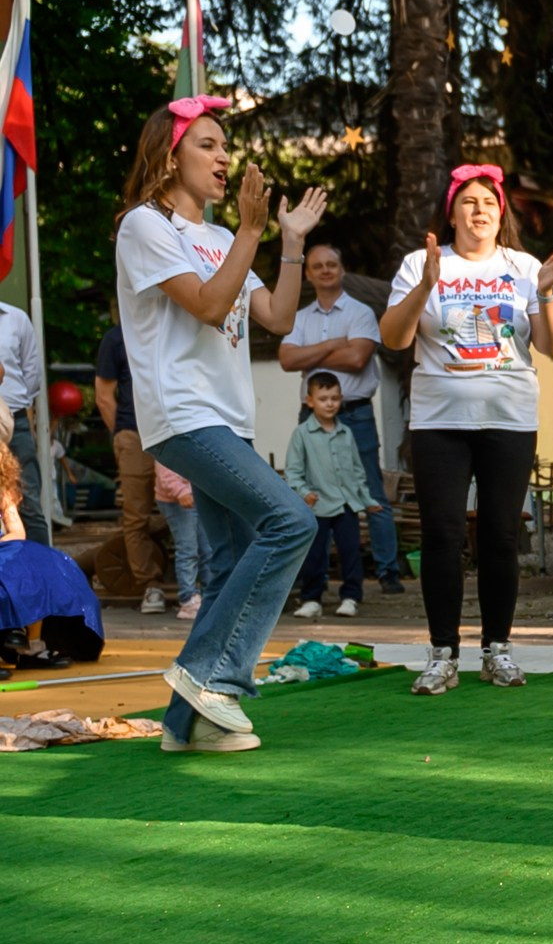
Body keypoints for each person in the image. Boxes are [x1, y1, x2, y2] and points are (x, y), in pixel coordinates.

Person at [114, 94, 327, 753]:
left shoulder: (216, 238)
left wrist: (288, 241)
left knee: (232, 559)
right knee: (291, 521)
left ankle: (184, 727)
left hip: (226, 419)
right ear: (168, 154)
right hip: (182, 413)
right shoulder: (145, 227)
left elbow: (279, 318)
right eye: (207, 143)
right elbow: (210, 306)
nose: (223, 155)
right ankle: (213, 675)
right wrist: (252, 231)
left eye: (224, 145)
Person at [381, 164, 553, 694]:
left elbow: (552, 343)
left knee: (500, 535)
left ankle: (498, 650)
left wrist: (549, 291)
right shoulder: (422, 262)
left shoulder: (523, 265)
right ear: (452, 212)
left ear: (501, 212)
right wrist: (425, 287)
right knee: (442, 534)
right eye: (468, 201)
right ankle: (442, 654)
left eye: (488, 200)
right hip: (439, 420)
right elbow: (394, 338)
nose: (479, 209)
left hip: (509, 418)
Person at [279, 242, 402, 593]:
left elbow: (357, 359)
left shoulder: (361, 312)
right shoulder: (299, 317)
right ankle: (310, 576)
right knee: (307, 491)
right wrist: (336, 344)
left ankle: (388, 572)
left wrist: (311, 356)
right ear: (308, 274)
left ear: (342, 269)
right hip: (311, 416)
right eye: (317, 266)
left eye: (331, 264)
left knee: (370, 490)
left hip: (356, 414)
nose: (325, 270)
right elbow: (287, 360)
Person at [94, 318, 173, 612]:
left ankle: (195, 586)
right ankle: (150, 585)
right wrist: (124, 436)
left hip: (176, 429)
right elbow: (103, 397)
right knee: (136, 514)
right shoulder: (116, 338)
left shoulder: (172, 327)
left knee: (189, 507)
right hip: (134, 433)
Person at [287, 370, 377, 620]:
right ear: (310, 401)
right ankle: (311, 598)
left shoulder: (346, 433)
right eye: (324, 398)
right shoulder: (302, 434)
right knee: (315, 555)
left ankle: (350, 597)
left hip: (346, 503)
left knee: (351, 551)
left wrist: (367, 500)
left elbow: (357, 470)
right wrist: (304, 492)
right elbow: (293, 472)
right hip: (317, 504)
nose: (330, 403)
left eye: (335, 398)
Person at [0, 444, 100, 670]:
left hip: (3, 549)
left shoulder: (3, 493)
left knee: (39, 568)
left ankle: (31, 645)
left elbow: (17, 531)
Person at [0, 296, 46, 546]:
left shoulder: (16, 318)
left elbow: (32, 374)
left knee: (29, 502)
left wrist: (9, 406)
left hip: (13, 421)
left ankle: (43, 575)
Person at [155, 458, 202, 620]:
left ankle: (210, 595)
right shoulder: (169, 436)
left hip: (197, 495)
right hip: (177, 499)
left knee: (208, 549)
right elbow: (164, 469)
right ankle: (187, 598)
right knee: (188, 548)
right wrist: (181, 491)